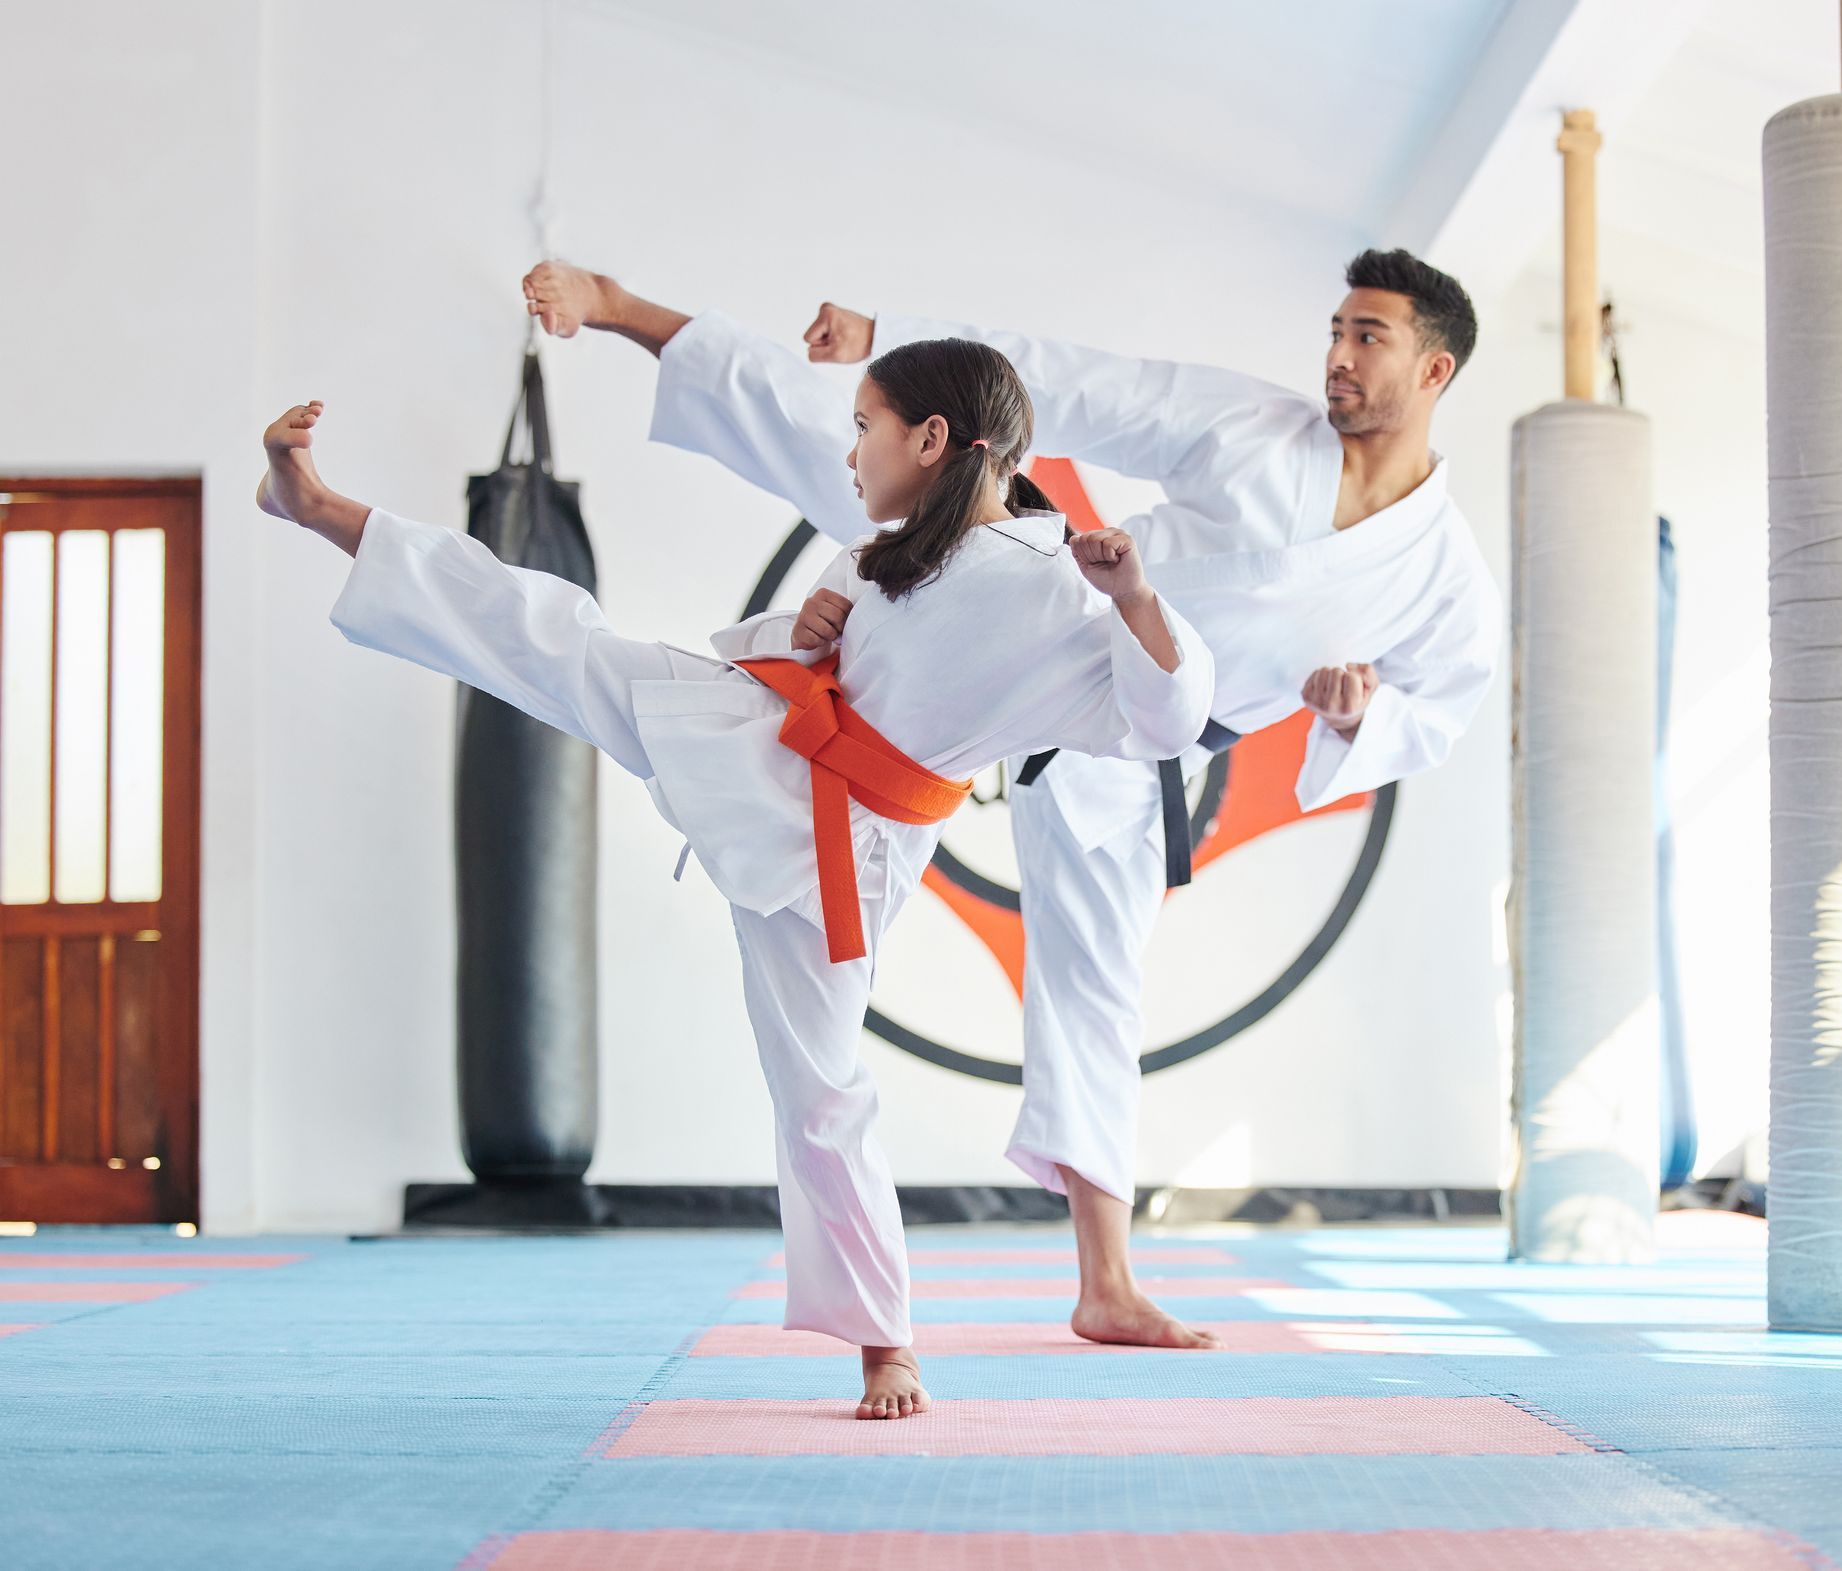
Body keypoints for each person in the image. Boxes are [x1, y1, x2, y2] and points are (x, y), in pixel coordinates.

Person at [521, 248, 1498, 1352]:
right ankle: (625, 308)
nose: (1339, 355)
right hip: (1043, 615)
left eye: (1370, 336)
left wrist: (1356, 713)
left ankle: (1107, 1283)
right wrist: (889, 337)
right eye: (1337, 329)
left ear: (1435, 369)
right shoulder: (1257, 428)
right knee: (854, 445)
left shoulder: (1445, 574)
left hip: (1135, 735)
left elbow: (1440, 705)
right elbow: (1080, 383)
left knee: (1098, 983)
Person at [253, 330, 1214, 1420]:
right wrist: (803, 628)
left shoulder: (1060, 587)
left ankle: (886, 1344)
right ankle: (317, 508)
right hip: (750, 735)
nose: (851, 452)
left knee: (822, 1090)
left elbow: (1167, 719)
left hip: (842, 846)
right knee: (553, 635)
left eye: (865, 426)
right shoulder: (886, 551)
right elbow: (800, 653)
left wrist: (1136, 599)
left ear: (932, 437)